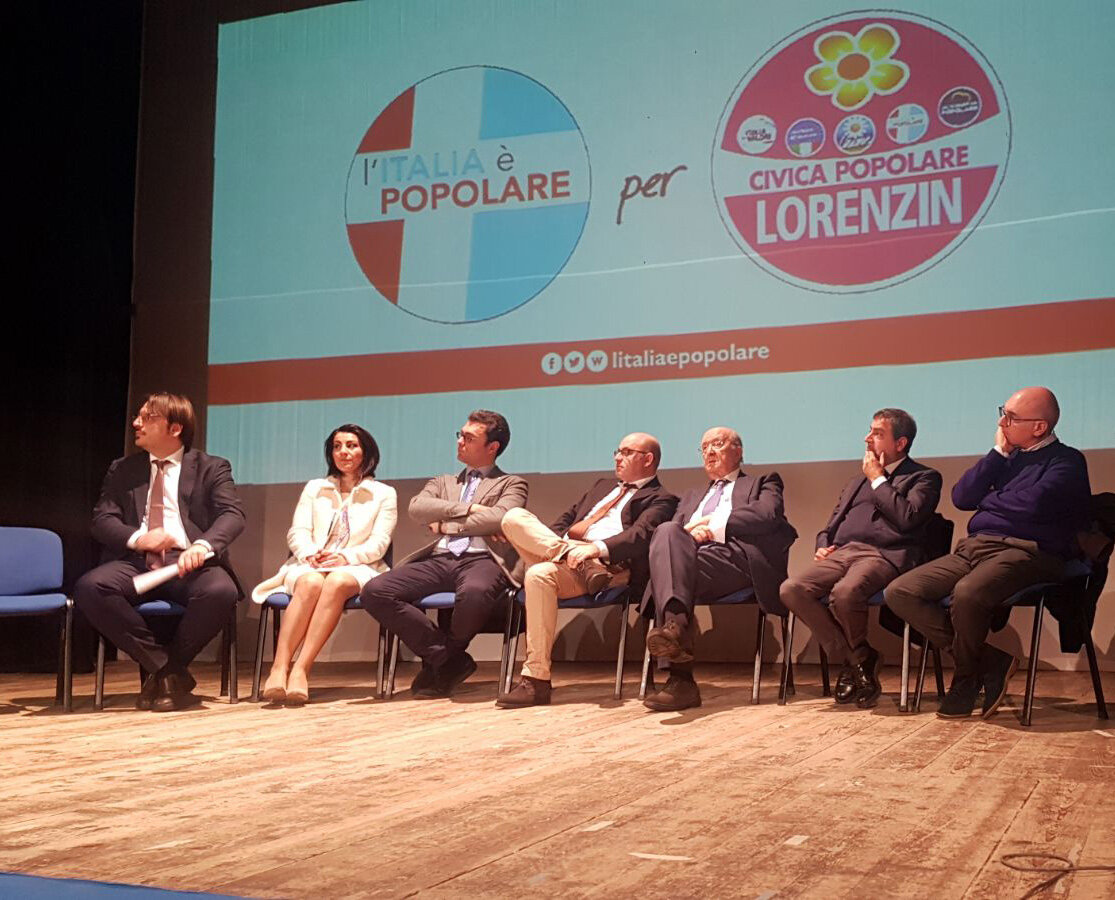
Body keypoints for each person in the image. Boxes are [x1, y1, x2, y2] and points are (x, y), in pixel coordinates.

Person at [885, 387, 1091, 719]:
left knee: (968, 593)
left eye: (1011, 417)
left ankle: (966, 679)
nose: (1002, 422)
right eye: (1003, 413)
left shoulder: (1067, 461)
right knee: (900, 591)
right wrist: (997, 453)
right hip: (977, 548)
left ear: (1039, 427)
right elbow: (963, 497)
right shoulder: (1005, 459)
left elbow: (1034, 505)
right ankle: (989, 661)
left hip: (1030, 551)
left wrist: (989, 500)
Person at [73, 392, 245, 711]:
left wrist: (203, 545)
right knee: (91, 587)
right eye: (137, 416)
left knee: (221, 591)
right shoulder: (122, 469)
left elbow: (232, 515)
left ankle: (162, 675)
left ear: (175, 428)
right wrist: (140, 539)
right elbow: (102, 520)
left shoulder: (211, 467)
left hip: (188, 562)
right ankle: (169, 673)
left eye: (147, 417)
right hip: (136, 562)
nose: (136, 424)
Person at [496, 433, 678, 707]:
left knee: (538, 574)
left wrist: (595, 550)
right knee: (513, 517)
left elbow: (638, 537)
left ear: (648, 459)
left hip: (609, 568)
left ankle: (535, 680)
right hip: (573, 560)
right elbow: (565, 522)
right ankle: (574, 558)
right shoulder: (601, 486)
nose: (618, 457)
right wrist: (569, 550)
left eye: (626, 452)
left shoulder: (662, 498)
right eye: (617, 451)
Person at [779, 409, 942, 709]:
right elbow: (830, 526)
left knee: (845, 592)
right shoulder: (856, 482)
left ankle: (853, 663)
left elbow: (908, 518)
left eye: (878, 434)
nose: (867, 438)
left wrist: (878, 479)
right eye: (869, 431)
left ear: (900, 443)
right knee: (792, 589)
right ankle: (858, 658)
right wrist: (824, 545)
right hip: (843, 552)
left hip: (885, 554)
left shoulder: (924, 477)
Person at [362, 411, 526, 698]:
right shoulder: (442, 481)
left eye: (469, 438)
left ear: (492, 447)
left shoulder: (511, 483)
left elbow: (500, 518)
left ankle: (443, 660)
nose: (460, 441)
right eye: (460, 435)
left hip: (483, 559)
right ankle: (449, 659)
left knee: (474, 593)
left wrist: (444, 524)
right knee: (376, 590)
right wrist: (471, 510)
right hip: (439, 558)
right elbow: (417, 508)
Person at [641, 427, 796, 712]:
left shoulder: (763, 482)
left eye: (718, 444)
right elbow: (672, 538)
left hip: (736, 560)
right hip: (692, 561)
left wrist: (713, 527)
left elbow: (767, 515)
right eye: (704, 447)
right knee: (668, 533)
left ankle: (680, 679)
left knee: (671, 572)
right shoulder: (690, 496)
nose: (709, 451)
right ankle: (676, 632)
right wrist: (689, 533)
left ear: (738, 450)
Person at [253, 425, 396, 705]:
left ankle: (301, 669)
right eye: (337, 446)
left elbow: (379, 543)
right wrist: (310, 554)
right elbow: (298, 532)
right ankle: (279, 668)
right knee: (310, 581)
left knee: (337, 581)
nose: (343, 452)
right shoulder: (315, 488)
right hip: (311, 563)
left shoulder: (384, 493)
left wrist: (346, 557)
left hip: (358, 565)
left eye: (352, 445)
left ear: (366, 451)